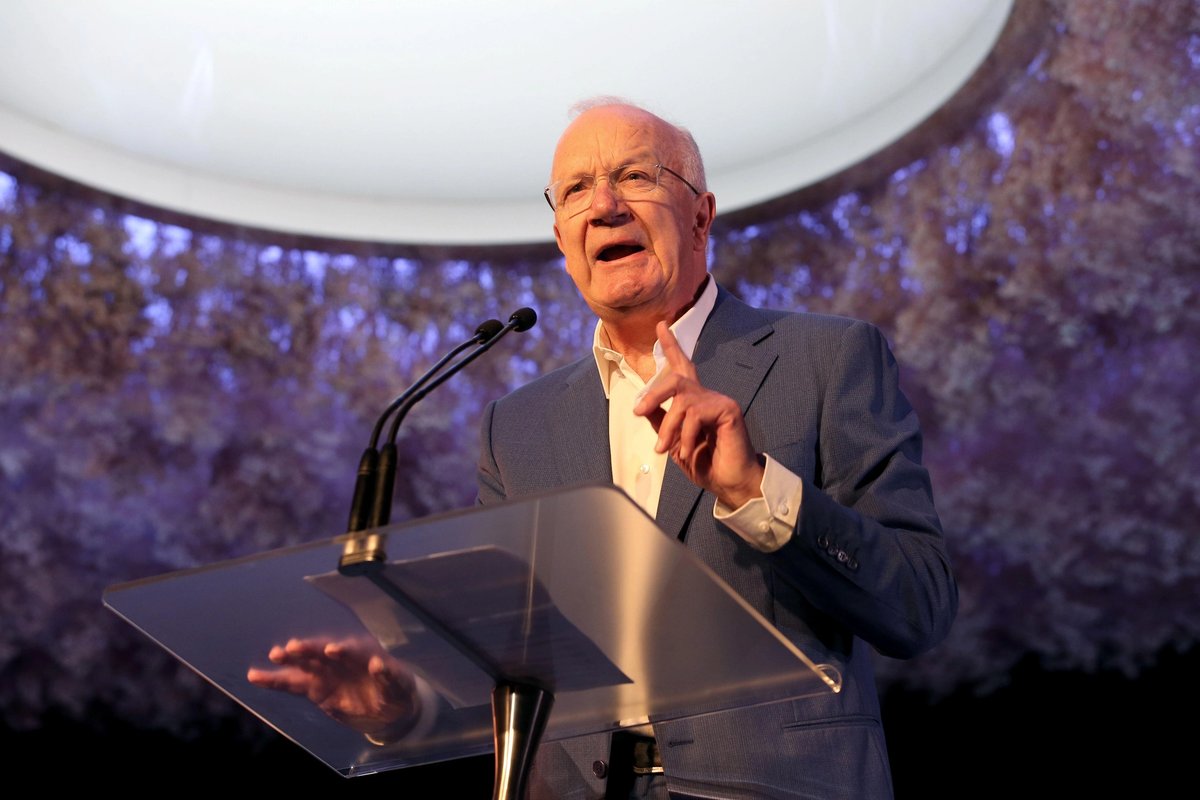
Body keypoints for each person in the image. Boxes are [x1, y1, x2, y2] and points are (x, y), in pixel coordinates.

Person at [250, 98, 957, 799]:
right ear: (564, 242)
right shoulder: (517, 427)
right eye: (576, 192)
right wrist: (406, 706)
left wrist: (753, 490)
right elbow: (509, 660)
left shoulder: (827, 359)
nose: (605, 206)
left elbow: (919, 604)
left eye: (636, 177)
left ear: (701, 216)